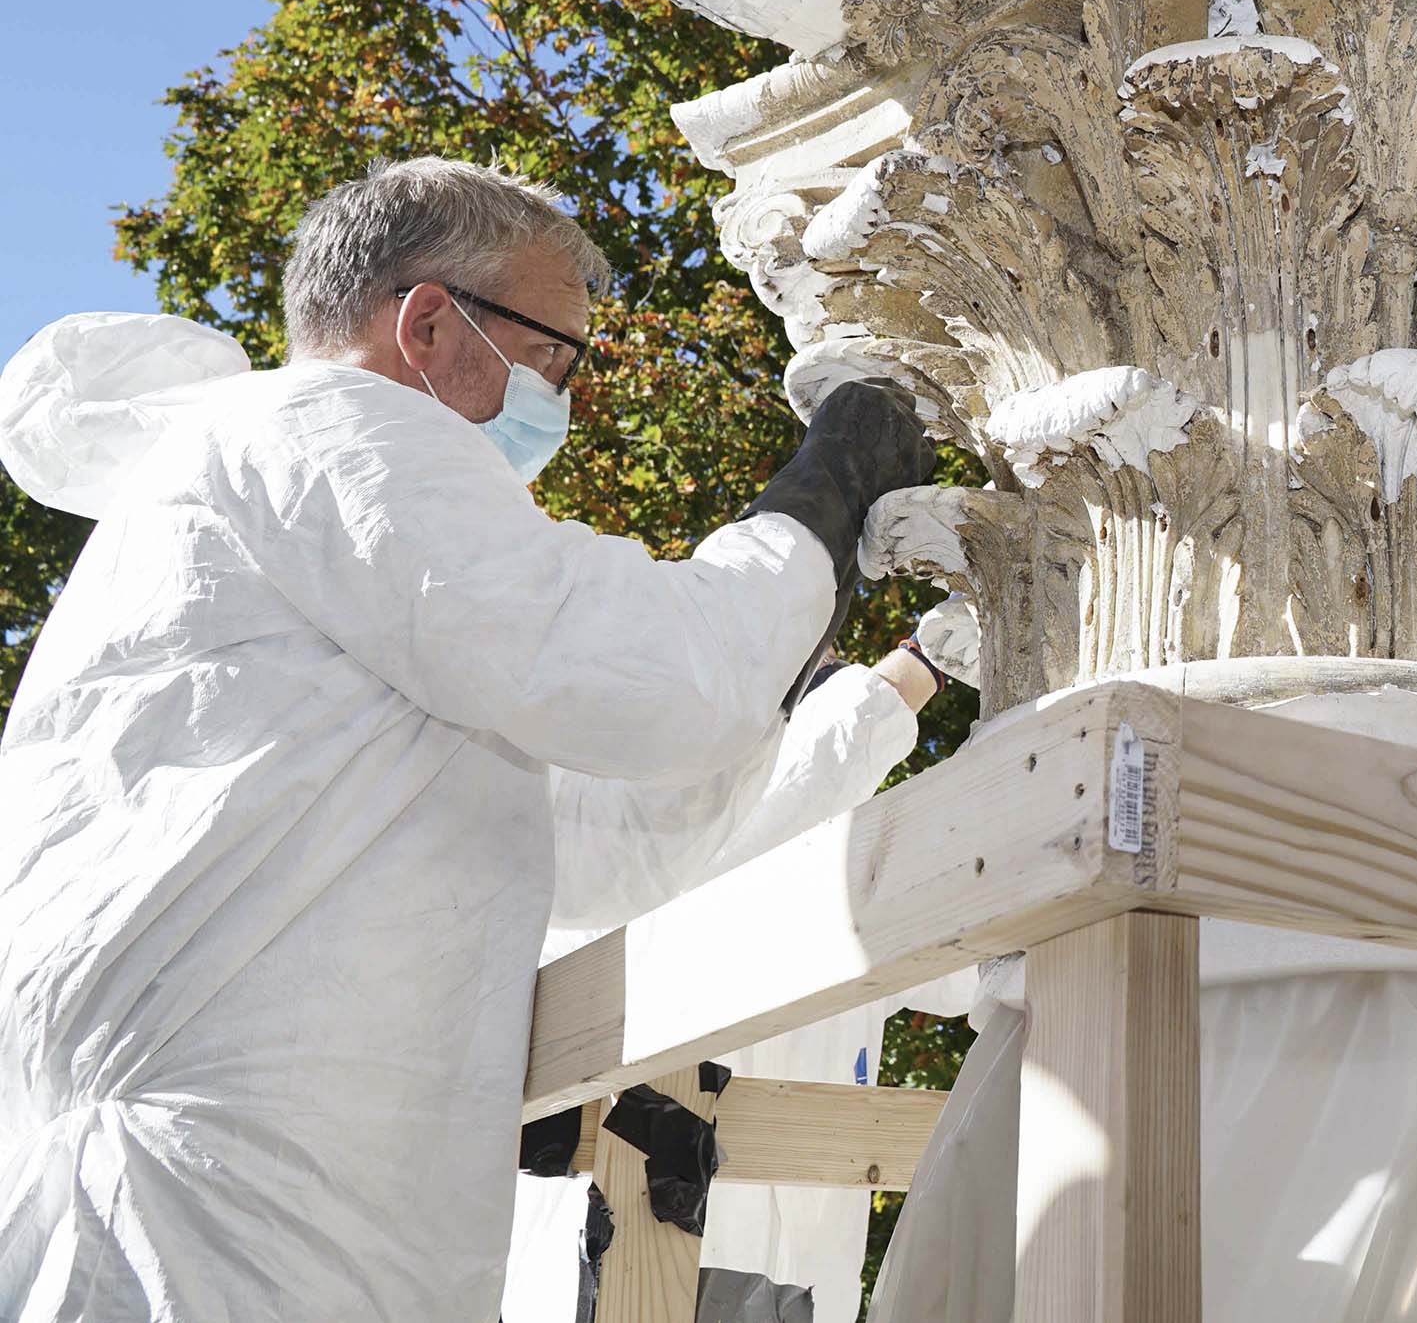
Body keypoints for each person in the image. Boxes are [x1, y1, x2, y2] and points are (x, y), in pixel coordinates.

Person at [0, 158, 943, 1321]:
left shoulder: (293, 554)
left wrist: (794, 624)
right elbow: (648, 675)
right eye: (553, 354)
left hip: (239, 1188)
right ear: (432, 325)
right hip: (218, 1203)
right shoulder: (326, 425)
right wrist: (827, 486)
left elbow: (615, 842)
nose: (564, 398)